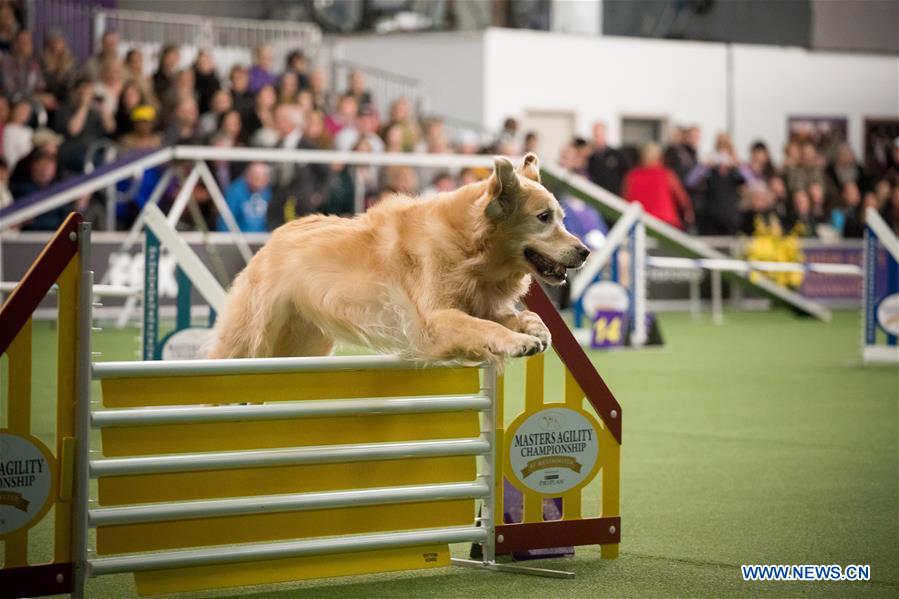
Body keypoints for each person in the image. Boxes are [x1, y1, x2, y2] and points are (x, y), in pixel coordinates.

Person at [622, 142, 694, 230]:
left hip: (640, 222)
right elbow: (682, 198)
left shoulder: (632, 176)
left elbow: (625, 199)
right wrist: (688, 212)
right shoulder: (666, 174)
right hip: (665, 222)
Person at [55, 76, 115, 173]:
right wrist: (83, 106)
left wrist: (103, 107)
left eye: (89, 92)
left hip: (96, 150)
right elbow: (73, 130)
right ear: (74, 93)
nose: (86, 95)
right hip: (74, 152)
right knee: (97, 163)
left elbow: (110, 128)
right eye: (82, 92)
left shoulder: (95, 111)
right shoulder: (65, 109)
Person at [1, 30, 53, 109]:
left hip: (33, 103)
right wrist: (36, 97)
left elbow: (40, 86)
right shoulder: (6, 63)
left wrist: (43, 97)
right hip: (13, 105)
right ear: (15, 44)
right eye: (24, 42)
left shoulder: (33, 63)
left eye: (30, 41)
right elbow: (10, 93)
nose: (28, 45)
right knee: (24, 108)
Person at [219, 161, 272, 232]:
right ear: (248, 176)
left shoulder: (269, 191)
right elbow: (225, 222)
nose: (259, 183)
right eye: (256, 177)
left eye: (263, 179)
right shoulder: (235, 192)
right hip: (237, 239)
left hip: (264, 239)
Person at [586, 121, 627, 195]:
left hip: (614, 196)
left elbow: (626, 175)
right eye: (596, 135)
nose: (598, 138)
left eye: (600, 134)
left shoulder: (617, 155)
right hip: (596, 195)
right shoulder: (590, 157)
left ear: (605, 134)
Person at [41, 31, 76, 105]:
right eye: (53, 42)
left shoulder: (71, 62)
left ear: (64, 44)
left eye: (58, 42)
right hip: (47, 97)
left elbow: (72, 83)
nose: (55, 45)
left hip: (66, 98)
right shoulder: (42, 62)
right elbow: (42, 84)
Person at [3, 99, 33, 169]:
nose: (23, 114)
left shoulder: (28, 131)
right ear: (13, 110)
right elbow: (8, 156)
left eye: (27, 112)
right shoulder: (8, 129)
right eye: (21, 110)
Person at [192, 50, 221, 114]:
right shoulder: (191, 79)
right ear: (197, 63)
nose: (205, 64)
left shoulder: (216, 81)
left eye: (208, 61)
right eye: (203, 61)